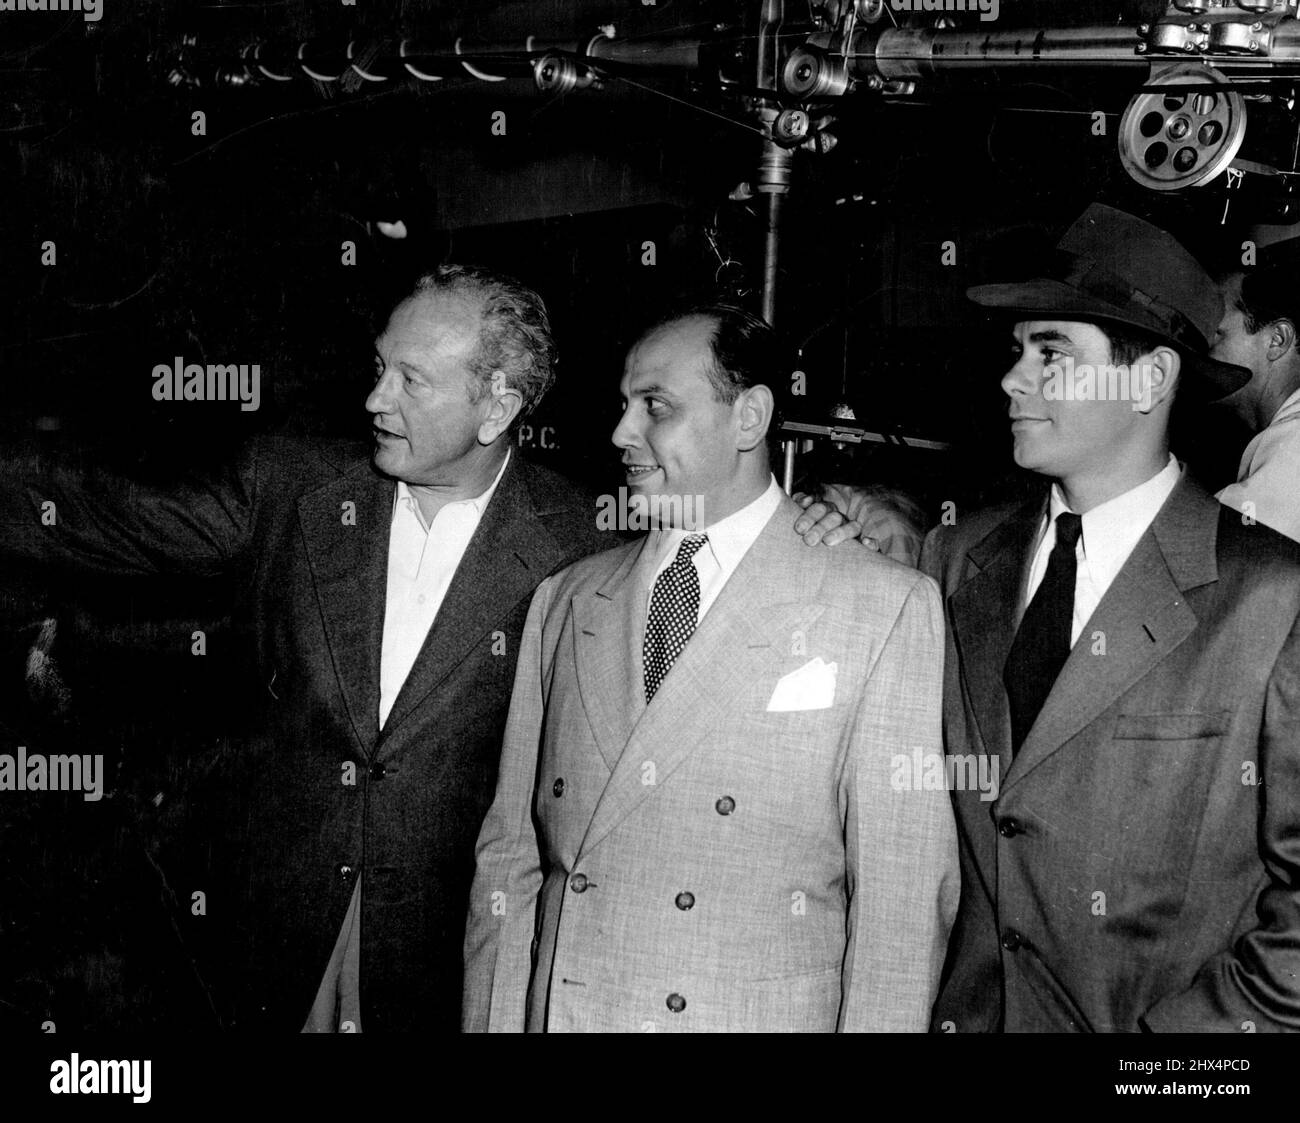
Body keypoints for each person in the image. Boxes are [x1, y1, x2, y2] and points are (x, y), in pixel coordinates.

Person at [0, 266, 856, 1031]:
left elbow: (733, 551)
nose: (376, 398)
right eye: (381, 367)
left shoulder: (585, 546)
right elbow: (99, 514)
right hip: (265, 931)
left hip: (444, 955)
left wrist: (854, 509)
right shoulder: (291, 488)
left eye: (411, 379)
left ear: (498, 405)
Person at [462, 304, 959, 1032]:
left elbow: (902, 905)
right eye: (623, 405)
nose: (620, 434)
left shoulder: (881, 604)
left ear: (750, 417)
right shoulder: (566, 599)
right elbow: (509, 862)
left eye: (655, 406)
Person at [921, 202, 1300, 1032]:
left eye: (1052, 352)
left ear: (1152, 378)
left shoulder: (1272, 594)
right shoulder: (953, 560)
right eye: (1019, 351)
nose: (1014, 378)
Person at [1211, 240, 1300, 541]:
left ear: (1277, 340)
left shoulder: (1294, 444)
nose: (1202, 350)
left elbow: (1214, 545)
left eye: (1216, 333)